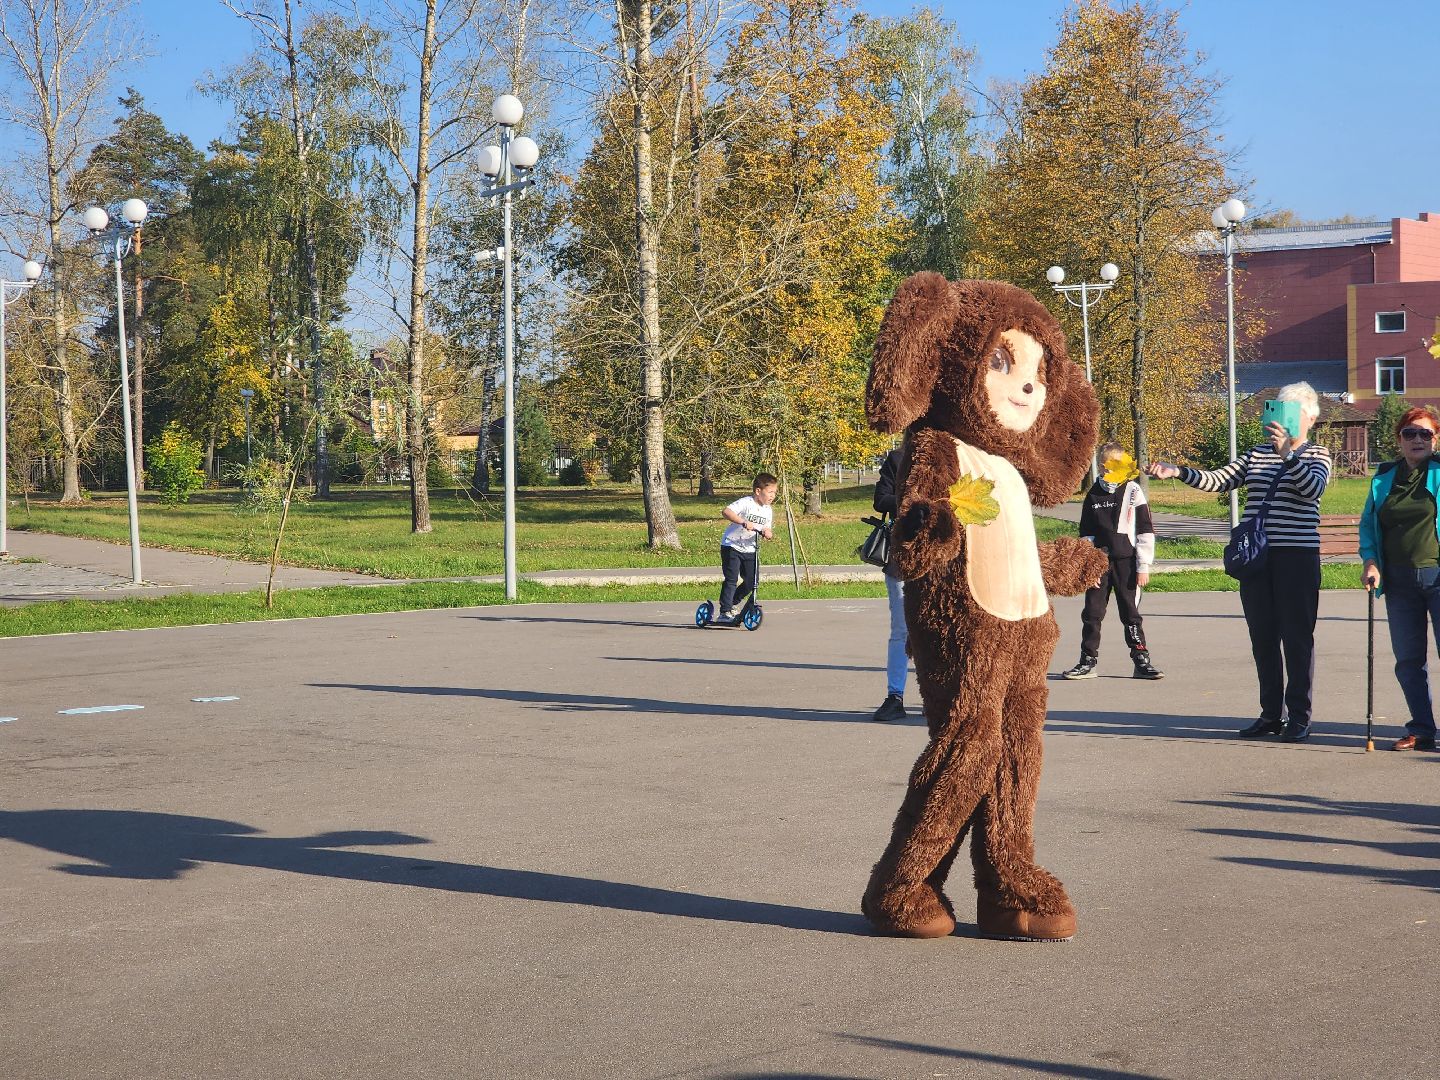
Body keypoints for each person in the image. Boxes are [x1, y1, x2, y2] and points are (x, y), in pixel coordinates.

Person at [1147, 381, 1331, 741]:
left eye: (1290, 411)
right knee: (1263, 638)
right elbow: (1219, 479)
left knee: (1297, 638)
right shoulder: (1256, 454)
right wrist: (1179, 472)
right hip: (1258, 560)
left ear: (1309, 417)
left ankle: (1299, 717)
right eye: (1277, 410)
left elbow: (1313, 490)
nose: (1281, 419)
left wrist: (1288, 455)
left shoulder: (1317, 454)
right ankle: (1270, 715)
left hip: (1297, 558)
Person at [1360, 405, 1440, 751]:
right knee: (1408, 659)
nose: (1418, 439)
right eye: (1410, 433)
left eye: (1426, 433)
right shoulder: (1383, 478)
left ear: (1436, 439)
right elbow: (1368, 526)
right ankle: (1421, 727)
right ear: (1399, 439)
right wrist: (1371, 561)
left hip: (1437, 576)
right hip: (1399, 581)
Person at [1062, 443, 1164, 680]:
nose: (1113, 472)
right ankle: (1087, 661)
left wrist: (1143, 565)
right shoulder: (1093, 494)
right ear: (1101, 467)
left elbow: (1145, 530)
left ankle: (1141, 660)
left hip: (1127, 563)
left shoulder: (1132, 490)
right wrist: (1089, 567)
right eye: (1109, 467)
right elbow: (1086, 533)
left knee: (1130, 614)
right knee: (1092, 613)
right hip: (1100, 564)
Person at [871, 448, 909, 721]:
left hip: (945, 557)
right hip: (902, 556)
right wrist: (911, 504)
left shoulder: (953, 456)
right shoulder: (898, 458)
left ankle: (947, 698)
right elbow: (880, 499)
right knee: (901, 630)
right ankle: (895, 696)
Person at [715, 473, 777, 625]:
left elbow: (766, 526)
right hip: (732, 545)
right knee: (732, 579)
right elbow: (726, 511)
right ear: (758, 491)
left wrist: (767, 532)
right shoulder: (746, 503)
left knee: (751, 581)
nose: (772, 496)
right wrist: (743, 522)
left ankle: (732, 604)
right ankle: (724, 612)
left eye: (775, 493)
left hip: (750, 549)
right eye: (770, 492)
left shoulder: (767, 510)